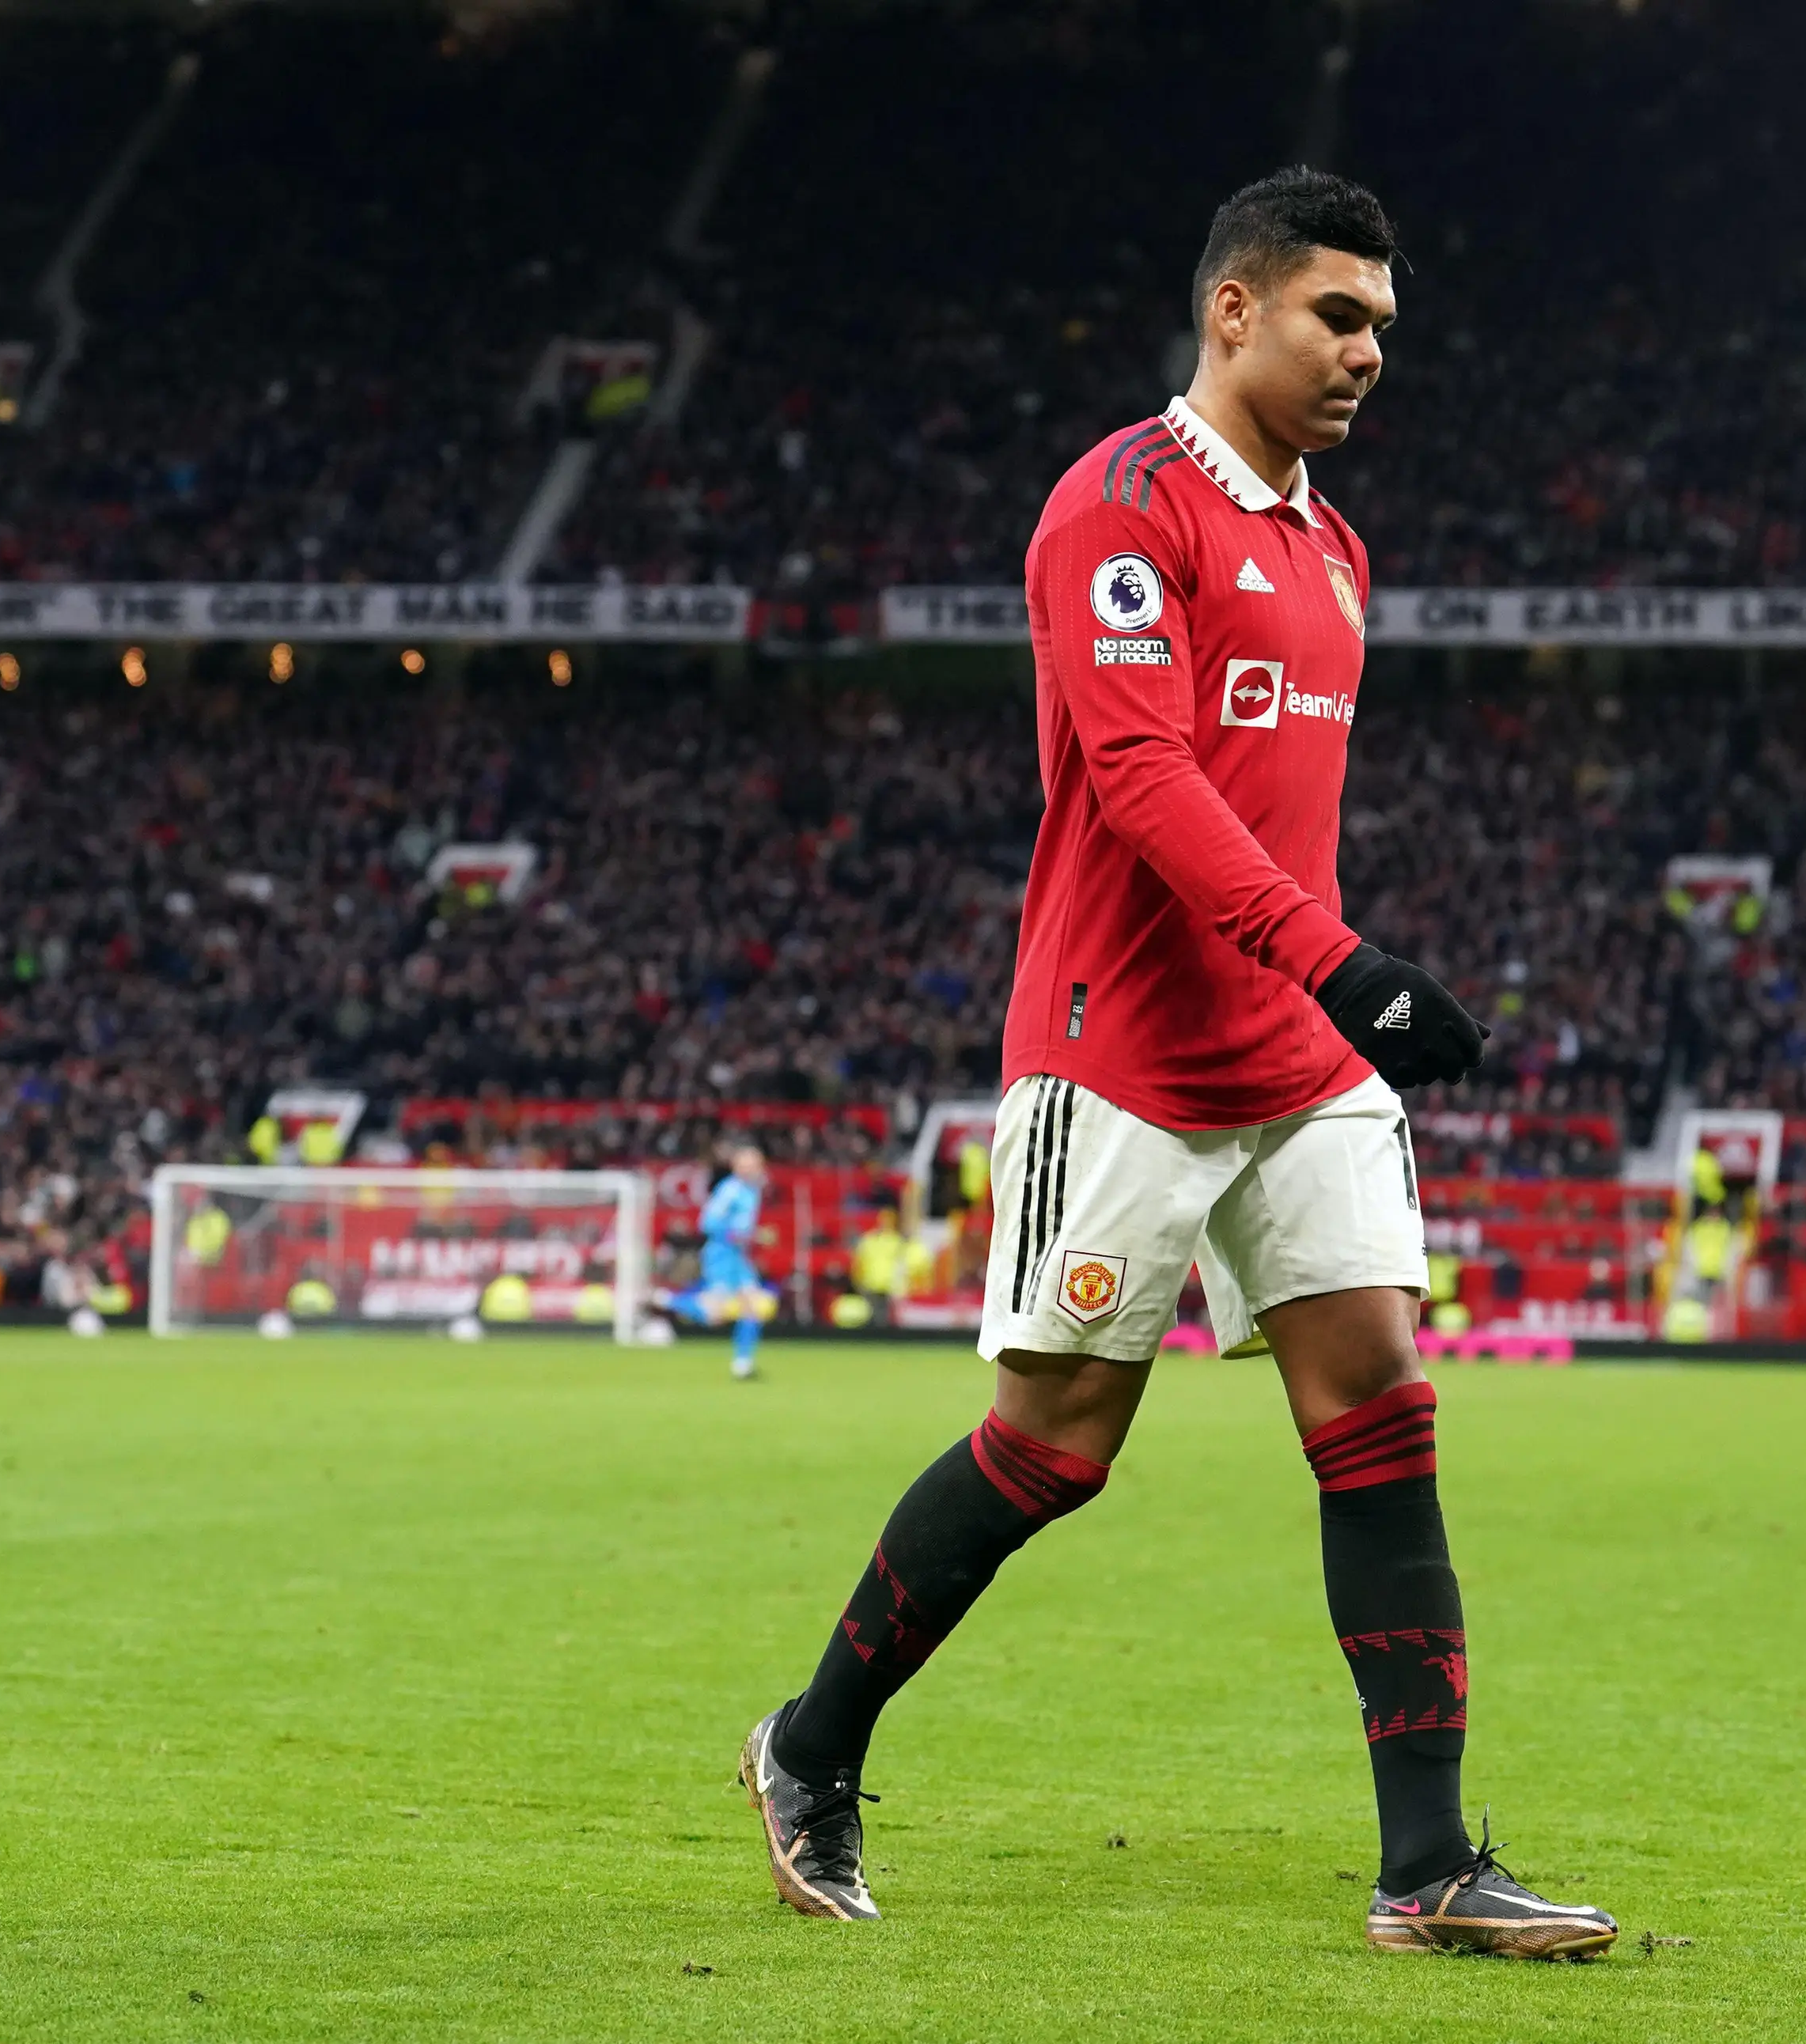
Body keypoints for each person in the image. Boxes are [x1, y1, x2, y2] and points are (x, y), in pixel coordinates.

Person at [734, 168, 1614, 1962]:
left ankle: (1428, 1862)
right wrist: (1343, 960)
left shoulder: (1335, 550)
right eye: (1336, 316)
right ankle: (807, 1743)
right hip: (1118, 1056)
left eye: (1382, 322)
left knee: (1378, 1411)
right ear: (1234, 309)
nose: (1371, 350)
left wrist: (1325, 991)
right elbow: (1138, 783)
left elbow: (1285, 820)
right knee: (1054, 1447)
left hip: (1296, 1062)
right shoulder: (1118, 509)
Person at [673, 1145, 773, 1380]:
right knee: (714, 1316)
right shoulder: (729, 1191)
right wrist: (749, 1236)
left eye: (755, 1164)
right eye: (746, 1164)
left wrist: (750, 1237)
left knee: (754, 1308)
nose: (752, 1169)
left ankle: (743, 1364)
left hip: (738, 1257)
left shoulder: (752, 1190)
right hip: (721, 1254)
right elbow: (707, 1224)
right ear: (736, 1168)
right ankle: (665, 1300)